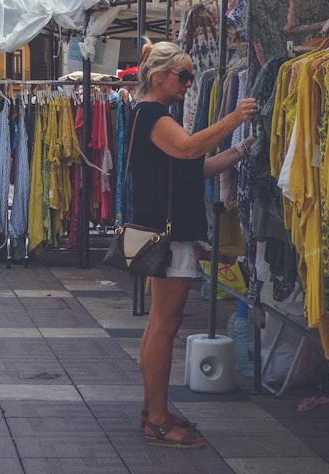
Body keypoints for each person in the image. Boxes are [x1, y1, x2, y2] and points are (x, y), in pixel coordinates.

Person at [132, 41, 257, 449]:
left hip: (156, 231)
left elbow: (195, 168)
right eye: (183, 76)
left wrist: (241, 148)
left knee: (158, 325)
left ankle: (153, 409)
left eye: (189, 76)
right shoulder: (152, 114)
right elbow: (189, 148)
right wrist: (232, 118)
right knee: (164, 326)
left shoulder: (154, 116)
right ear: (159, 77)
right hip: (167, 235)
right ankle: (158, 418)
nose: (189, 83)